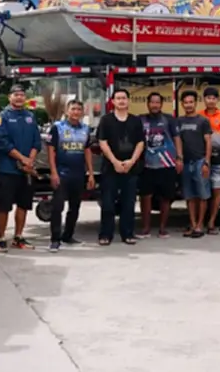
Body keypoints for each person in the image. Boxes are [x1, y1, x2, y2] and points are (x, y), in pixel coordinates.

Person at [0, 85, 41, 251]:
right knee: (4, 206)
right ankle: (0, 238)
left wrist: (30, 161)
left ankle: (18, 237)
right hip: (7, 170)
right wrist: (22, 159)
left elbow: (37, 141)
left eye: (22, 95)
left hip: (26, 171)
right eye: (16, 95)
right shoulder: (3, 117)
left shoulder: (30, 116)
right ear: (10, 97)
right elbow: (2, 142)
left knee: (23, 205)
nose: (19, 97)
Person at [95, 88, 145, 245]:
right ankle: (105, 235)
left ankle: (128, 234)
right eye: (118, 98)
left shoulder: (135, 121)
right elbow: (102, 142)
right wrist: (115, 162)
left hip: (131, 168)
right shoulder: (106, 120)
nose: (121, 101)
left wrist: (131, 161)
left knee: (129, 203)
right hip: (110, 168)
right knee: (108, 203)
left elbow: (140, 143)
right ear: (113, 101)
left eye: (124, 98)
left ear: (128, 101)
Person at [46, 98, 94, 251]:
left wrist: (91, 173)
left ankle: (68, 236)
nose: (76, 112)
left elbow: (87, 151)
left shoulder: (86, 129)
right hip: (61, 173)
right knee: (57, 207)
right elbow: (51, 151)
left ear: (83, 112)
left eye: (79, 110)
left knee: (75, 207)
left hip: (78, 174)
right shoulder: (57, 128)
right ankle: (55, 239)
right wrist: (53, 172)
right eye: (73, 109)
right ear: (67, 111)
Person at [139, 92, 182, 238]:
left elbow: (177, 139)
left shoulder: (169, 119)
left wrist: (179, 158)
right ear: (148, 103)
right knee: (145, 197)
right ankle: (145, 228)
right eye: (152, 102)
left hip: (167, 164)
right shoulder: (141, 120)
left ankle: (163, 228)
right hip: (146, 165)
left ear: (161, 104)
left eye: (158, 102)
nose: (155, 105)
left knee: (166, 197)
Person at [175, 90, 212, 238]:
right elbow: (177, 140)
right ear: (182, 104)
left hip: (199, 161)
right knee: (189, 196)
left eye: (191, 102)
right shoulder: (178, 121)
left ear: (196, 103)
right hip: (186, 163)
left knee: (202, 195)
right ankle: (192, 223)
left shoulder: (203, 121)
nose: (189, 105)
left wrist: (207, 162)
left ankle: (200, 225)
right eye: (186, 102)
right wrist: (179, 159)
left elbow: (208, 142)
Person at [201, 87, 220, 234]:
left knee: (217, 192)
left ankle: (212, 222)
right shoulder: (199, 116)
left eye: (214, 98)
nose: (211, 101)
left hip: (219, 161)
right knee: (203, 193)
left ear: (217, 100)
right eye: (208, 98)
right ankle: (200, 221)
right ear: (204, 100)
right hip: (203, 161)